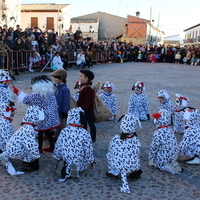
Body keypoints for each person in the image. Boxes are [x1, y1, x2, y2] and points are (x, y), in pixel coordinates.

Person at [13, 75, 60, 153]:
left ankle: (39, 148)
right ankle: (52, 146)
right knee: (48, 132)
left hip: (42, 117)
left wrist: (18, 93)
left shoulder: (37, 95)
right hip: (51, 116)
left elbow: (25, 100)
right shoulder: (50, 93)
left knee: (40, 132)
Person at [0, 106, 45, 175]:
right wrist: (36, 157)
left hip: (11, 149)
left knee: (28, 147)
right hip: (14, 151)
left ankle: (26, 162)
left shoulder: (26, 126)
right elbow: (31, 146)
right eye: (39, 120)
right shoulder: (28, 130)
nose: (40, 122)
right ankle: (27, 165)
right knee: (30, 149)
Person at [54, 107, 94, 180]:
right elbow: (88, 148)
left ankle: (64, 166)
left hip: (65, 156)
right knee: (79, 161)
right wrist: (90, 159)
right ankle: (75, 168)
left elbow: (58, 144)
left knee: (65, 159)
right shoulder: (84, 133)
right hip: (78, 157)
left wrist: (57, 155)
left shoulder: (64, 131)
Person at [106, 113, 142, 193]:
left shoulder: (115, 139)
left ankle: (114, 171)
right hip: (132, 166)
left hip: (118, 166)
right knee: (135, 157)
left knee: (110, 154)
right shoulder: (136, 140)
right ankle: (133, 172)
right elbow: (137, 154)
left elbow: (110, 152)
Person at [149, 109, 182, 174]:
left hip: (163, 156)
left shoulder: (158, 132)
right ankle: (173, 163)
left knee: (157, 162)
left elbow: (154, 146)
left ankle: (165, 166)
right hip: (172, 155)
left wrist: (151, 158)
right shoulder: (170, 130)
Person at [50, 69, 70, 140]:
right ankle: (56, 136)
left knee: (62, 125)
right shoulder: (56, 87)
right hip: (56, 110)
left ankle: (64, 137)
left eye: (56, 78)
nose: (54, 79)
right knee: (57, 125)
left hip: (61, 111)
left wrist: (65, 111)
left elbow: (66, 101)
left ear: (61, 78)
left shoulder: (64, 89)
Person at [77, 70, 96, 142]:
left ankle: (92, 138)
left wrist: (84, 110)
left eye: (81, 76)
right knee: (84, 124)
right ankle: (85, 137)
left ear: (86, 78)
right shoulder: (83, 86)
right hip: (83, 109)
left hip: (87, 110)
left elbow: (88, 101)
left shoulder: (87, 88)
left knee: (90, 124)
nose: (79, 78)